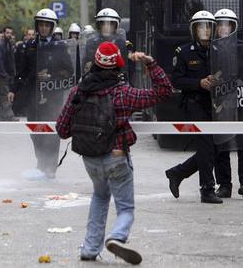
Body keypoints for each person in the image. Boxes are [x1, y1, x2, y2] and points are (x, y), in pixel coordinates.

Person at [56, 42, 172, 264]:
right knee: (126, 208)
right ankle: (117, 237)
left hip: (90, 160)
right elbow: (164, 91)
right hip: (117, 156)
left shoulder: (78, 92)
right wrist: (151, 64)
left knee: (100, 196)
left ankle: (90, 248)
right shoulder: (123, 93)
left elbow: (62, 130)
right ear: (118, 66)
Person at [9, 8, 75, 179]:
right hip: (33, 97)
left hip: (53, 97)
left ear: (53, 27)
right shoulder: (30, 46)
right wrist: (13, 89)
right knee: (35, 131)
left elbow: (69, 71)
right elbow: (22, 71)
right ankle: (41, 162)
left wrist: (51, 75)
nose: (44, 28)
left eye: (47, 25)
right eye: (41, 25)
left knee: (52, 131)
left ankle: (51, 166)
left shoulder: (60, 47)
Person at [164, 11, 223, 204]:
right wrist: (199, 83)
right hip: (194, 103)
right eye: (201, 26)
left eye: (208, 26)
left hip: (215, 104)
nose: (205, 30)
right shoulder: (184, 51)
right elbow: (177, 80)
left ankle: (177, 173)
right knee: (206, 144)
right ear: (194, 29)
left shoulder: (219, 50)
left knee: (213, 148)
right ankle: (207, 190)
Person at [212, 8, 243, 199]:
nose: (223, 27)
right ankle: (224, 185)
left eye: (227, 24)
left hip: (240, 100)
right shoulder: (212, 48)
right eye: (220, 24)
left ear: (233, 26)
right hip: (220, 102)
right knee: (221, 144)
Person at [0, 26, 17, 121]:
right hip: (2, 76)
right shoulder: (0, 45)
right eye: (7, 33)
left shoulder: (8, 45)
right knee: (5, 95)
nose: (9, 35)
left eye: (11, 33)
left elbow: (11, 61)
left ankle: (2, 117)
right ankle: (9, 116)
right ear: (3, 33)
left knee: (4, 96)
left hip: (7, 75)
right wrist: (4, 75)